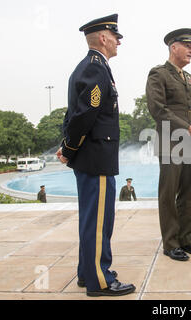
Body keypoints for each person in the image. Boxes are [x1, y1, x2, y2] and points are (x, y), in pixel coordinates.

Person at [55, 14, 135, 297]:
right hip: (96, 156)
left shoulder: (92, 67)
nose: (119, 41)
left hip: (93, 156)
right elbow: (83, 115)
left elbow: (74, 113)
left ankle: (86, 272)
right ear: (103, 38)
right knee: (99, 221)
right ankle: (100, 280)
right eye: (115, 36)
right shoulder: (96, 68)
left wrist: (68, 145)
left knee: (92, 219)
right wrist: (68, 147)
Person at [145, 28, 191, 262]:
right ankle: (170, 244)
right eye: (187, 45)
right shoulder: (158, 74)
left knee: (189, 193)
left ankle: (186, 239)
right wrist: (187, 128)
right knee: (169, 193)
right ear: (174, 47)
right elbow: (158, 109)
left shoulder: (189, 78)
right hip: (170, 142)